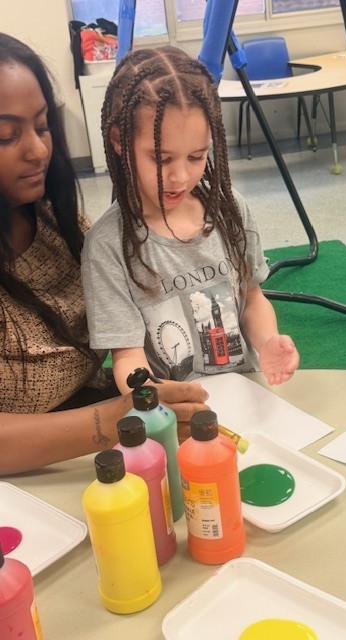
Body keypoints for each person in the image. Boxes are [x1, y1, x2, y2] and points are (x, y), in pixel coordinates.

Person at [0, 33, 208, 475]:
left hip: (115, 426)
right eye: (6, 135)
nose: (39, 150)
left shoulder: (57, 220)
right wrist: (114, 420)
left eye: (42, 126)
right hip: (34, 477)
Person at [81, 46, 299, 393]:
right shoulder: (107, 246)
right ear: (120, 142)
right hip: (175, 412)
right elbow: (127, 355)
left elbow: (252, 299)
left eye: (197, 156)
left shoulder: (230, 209)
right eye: (161, 158)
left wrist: (269, 341)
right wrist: (149, 395)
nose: (181, 177)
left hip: (248, 395)